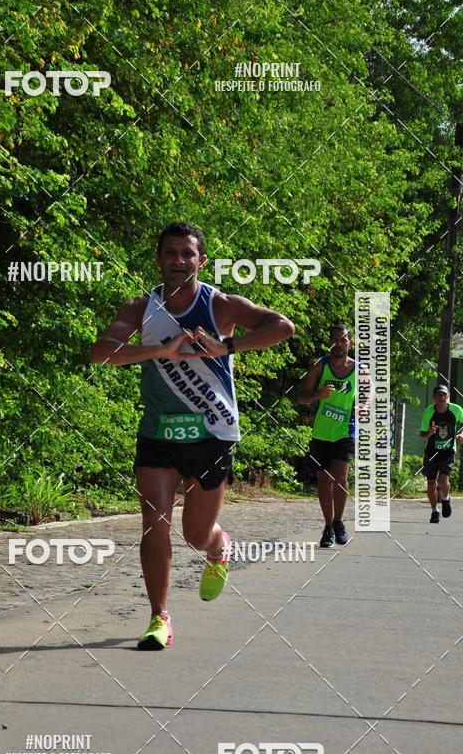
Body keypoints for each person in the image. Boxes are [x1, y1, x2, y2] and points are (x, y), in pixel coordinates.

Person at [90, 221, 294, 649]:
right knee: (153, 525)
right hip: (158, 431)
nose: (178, 261)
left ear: (201, 261)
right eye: (170, 253)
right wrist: (158, 350)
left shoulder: (220, 305)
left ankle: (219, 546)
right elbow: (101, 352)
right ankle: (159, 618)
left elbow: (282, 327)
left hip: (212, 433)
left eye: (187, 254)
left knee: (194, 536)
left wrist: (226, 347)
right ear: (158, 260)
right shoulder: (140, 308)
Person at [297, 324, 366, 548]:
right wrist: (318, 394)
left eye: (343, 340)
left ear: (350, 343)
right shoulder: (319, 366)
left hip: (345, 432)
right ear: (330, 343)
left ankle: (339, 521)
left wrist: (365, 404)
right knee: (324, 480)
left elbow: (371, 387)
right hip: (321, 433)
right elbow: (302, 397)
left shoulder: (358, 368)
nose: (338, 344)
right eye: (334, 340)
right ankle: (328, 527)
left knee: (340, 477)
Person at [420, 385, 463, 523]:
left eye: (444, 394)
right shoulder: (428, 412)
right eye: (438, 394)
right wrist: (430, 433)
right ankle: (434, 511)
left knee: (443, 480)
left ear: (448, 396)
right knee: (431, 483)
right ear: (434, 397)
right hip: (431, 451)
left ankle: (445, 498)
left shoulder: (456, 410)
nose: (441, 397)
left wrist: (461, 434)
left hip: (448, 451)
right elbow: (422, 435)